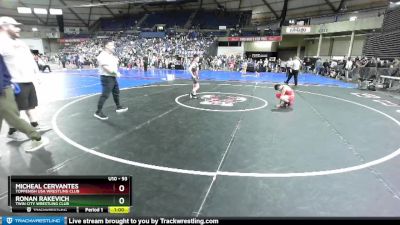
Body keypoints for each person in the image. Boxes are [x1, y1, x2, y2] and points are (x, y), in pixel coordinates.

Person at [0, 16, 50, 141]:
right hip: (14, 82)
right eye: (14, 26)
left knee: (30, 106)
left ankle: (34, 125)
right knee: (14, 111)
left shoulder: (21, 43)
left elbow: (30, 60)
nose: (18, 29)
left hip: (27, 80)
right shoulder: (2, 43)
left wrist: (37, 74)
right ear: (4, 26)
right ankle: (13, 131)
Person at [0, 53, 48, 154]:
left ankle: (35, 132)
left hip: (12, 86)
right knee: (14, 114)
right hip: (10, 85)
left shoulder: (22, 53)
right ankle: (24, 133)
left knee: (20, 112)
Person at [94, 41, 128, 120]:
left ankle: (118, 107)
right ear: (106, 46)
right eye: (111, 45)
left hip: (112, 77)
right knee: (105, 95)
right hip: (107, 77)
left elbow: (114, 65)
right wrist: (115, 73)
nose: (113, 46)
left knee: (116, 92)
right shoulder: (102, 55)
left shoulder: (111, 55)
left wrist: (116, 72)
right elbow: (106, 68)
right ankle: (98, 112)